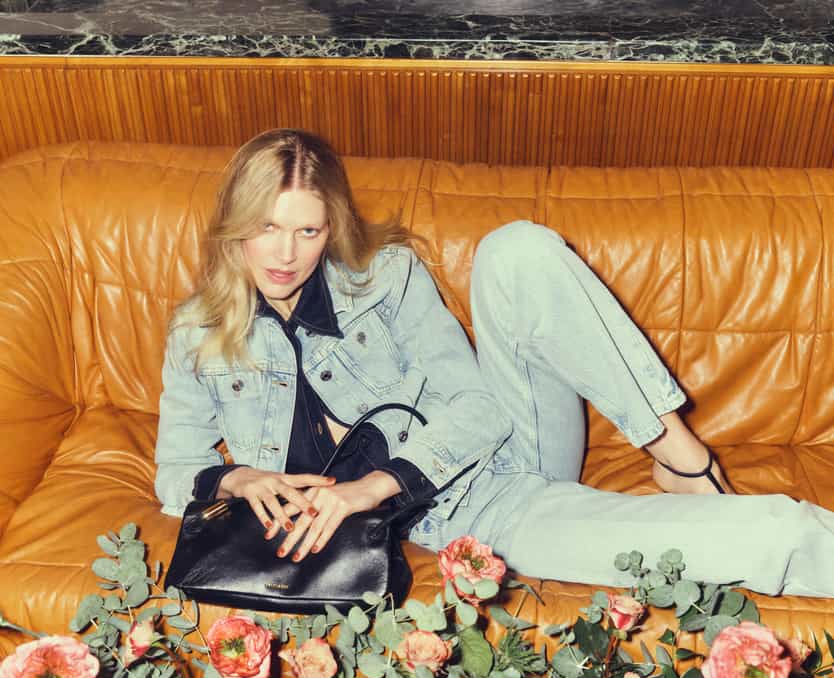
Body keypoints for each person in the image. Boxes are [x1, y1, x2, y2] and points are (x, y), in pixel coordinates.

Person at [155, 128, 834, 597]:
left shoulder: (385, 279)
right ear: (235, 227)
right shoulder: (197, 332)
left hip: (490, 466)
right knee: (772, 534)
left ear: (331, 228)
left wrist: (371, 488)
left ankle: (679, 456)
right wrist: (239, 478)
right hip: (479, 519)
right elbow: (175, 470)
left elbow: (478, 408)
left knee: (517, 250)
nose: (286, 254)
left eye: (307, 230)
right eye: (267, 228)